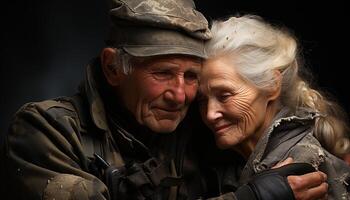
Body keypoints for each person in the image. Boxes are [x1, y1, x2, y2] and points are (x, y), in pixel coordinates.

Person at [0, 1, 328, 200]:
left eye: (191, 77)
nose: (181, 95)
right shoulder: (47, 131)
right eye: (163, 73)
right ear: (113, 67)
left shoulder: (201, 128)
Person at [198, 14, 350, 199]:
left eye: (225, 95)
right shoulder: (232, 161)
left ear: (271, 85)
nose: (210, 114)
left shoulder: (301, 170)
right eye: (202, 100)